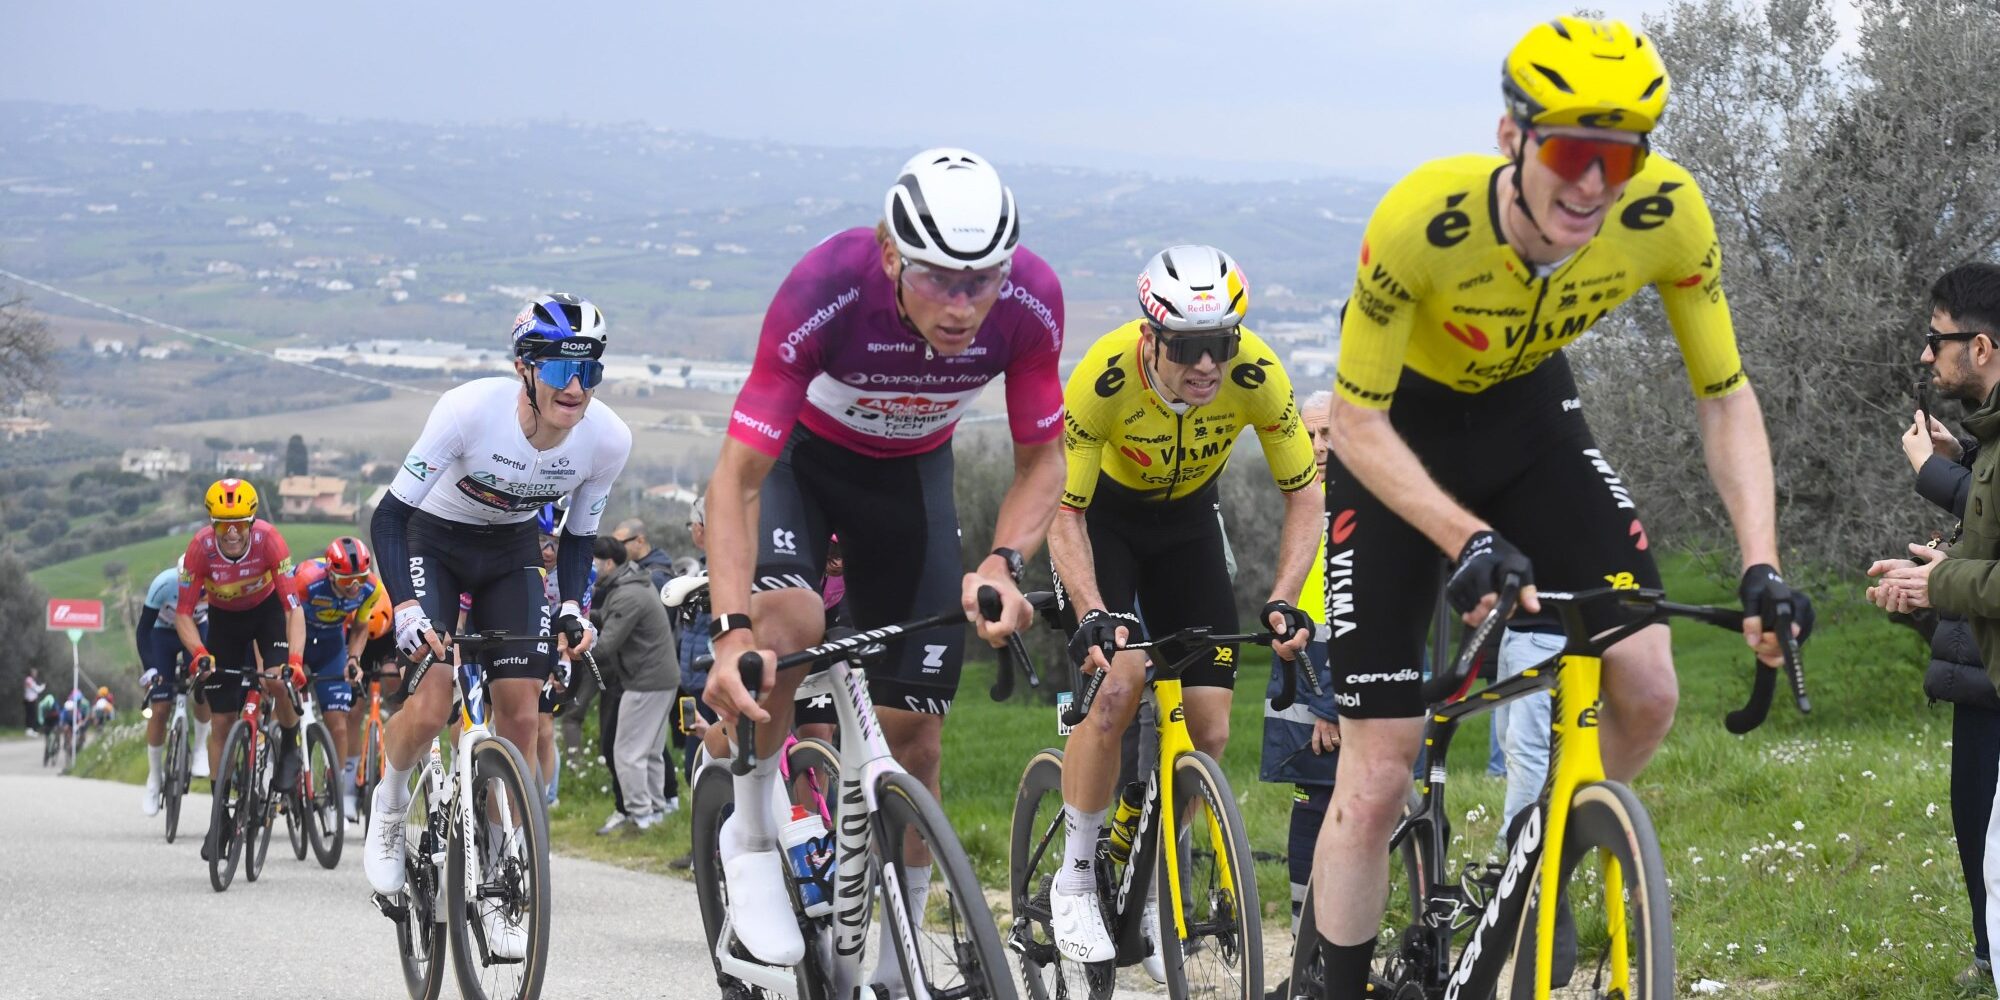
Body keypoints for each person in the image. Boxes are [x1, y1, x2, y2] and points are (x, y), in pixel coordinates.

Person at [1309, 19, 1807, 994]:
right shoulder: (1421, 218)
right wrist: (1464, 537)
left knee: (1648, 685)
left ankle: (1548, 863)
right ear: (1511, 137)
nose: (1593, 184)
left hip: (1532, 423)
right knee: (1375, 776)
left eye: (1619, 156)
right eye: (1574, 151)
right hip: (1395, 440)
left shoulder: (1662, 214)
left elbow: (1722, 396)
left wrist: (1760, 561)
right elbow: (1355, 424)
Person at [701, 147, 1062, 973]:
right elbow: (737, 479)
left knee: (917, 741)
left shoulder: (1032, 301)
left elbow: (1044, 460)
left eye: (985, 280)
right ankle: (752, 835)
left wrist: (1003, 562)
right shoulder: (827, 287)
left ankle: (900, 951)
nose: (966, 306)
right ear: (892, 253)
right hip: (805, 467)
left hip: (910, 481)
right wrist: (730, 635)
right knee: (789, 620)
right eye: (941, 278)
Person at [1046, 243, 1317, 966]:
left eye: (1220, 344)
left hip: (1191, 524)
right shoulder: (1103, 379)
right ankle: (1074, 873)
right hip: (1104, 522)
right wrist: (1094, 609)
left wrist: (1284, 595)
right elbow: (1062, 513)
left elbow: (1306, 493)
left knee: (1210, 726)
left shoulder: (1254, 372)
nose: (1208, 365)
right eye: (1190, 347)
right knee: (1122, 683)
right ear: (1150, 337)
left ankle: (1159, 880)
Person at [362, 292, 630, 963]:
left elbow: (579, 537)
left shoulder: (607, 440)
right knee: (431, 702)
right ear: (525, 368)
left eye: (590, 369)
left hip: (510, 553)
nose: (577, 387)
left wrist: (574, 605)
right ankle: (391, 804)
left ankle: (506, 873)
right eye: (562, 368)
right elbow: (390, 519)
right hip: (434, 543)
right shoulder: (466, 412)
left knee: (520, 717)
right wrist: (409, 608)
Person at [1867, 262, 2000, 993]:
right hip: (1982, 668)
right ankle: (1987, 956)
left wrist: (1932, 473)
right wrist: (1927, 590)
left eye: (1936, 338)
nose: (1926, 354)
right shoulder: (1988, 432)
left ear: (1980, 347)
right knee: (1976, 827)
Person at [1255, 389, 1341, 999]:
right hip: (1305, 677)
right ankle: (1308, 961)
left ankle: (1331, 964)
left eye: (1329, 435)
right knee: (1313, 808)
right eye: (1308, 437)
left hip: (1337, 687)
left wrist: (1331, 703)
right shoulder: (1306, 505)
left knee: (1351, 815)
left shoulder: (1364, 506)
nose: (1316, 448)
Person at [177, 478, 307, 861]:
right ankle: (219, 817)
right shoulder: (199, 549)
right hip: (224, 623)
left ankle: (289, 743)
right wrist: (199, 651)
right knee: (221, 721)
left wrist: (295, 661)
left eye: (239, 523)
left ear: (252, 521)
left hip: (266, 615)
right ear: (211, 523)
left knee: (276, 680)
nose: (231, 532)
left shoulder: (270, 542)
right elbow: (184, 614)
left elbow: (293, 609)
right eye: (222, 523)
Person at [290, 537, 386, 821]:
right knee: (283, 704)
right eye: (346, 581)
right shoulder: (306, 579)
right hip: (297, 638)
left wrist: (354, 659)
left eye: (358, 579)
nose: (354, 587)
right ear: (330, 572)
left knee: (339, 724)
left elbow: (359, 627)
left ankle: (335, 793)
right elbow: (284, 616)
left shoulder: (371, 587)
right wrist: (294, 659)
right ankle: (279, 754)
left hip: (332, 646)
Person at [591, 535, 681, 830]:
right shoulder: (630, 585)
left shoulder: (627, 594)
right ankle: (655, 811)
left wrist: (573, 644)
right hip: (660, 677)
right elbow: (609, 617)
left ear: (607, 563)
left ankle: (640, 816)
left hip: (646, 681)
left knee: (627, 752)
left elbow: (605, 645)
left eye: (592, 562)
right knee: (651, 750)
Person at [138, 560, 213, 816]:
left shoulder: (215, 583)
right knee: (159, 709)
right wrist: (150, 670)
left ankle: (201, 748)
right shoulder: (163, 583)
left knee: (204, 683)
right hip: (162, 636)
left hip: (197, 631)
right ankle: (154, 777)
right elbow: (143, 630)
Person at [612, 517, 679, 592]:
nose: (616, 549)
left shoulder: (655, 578)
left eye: (619, 544)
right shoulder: (630, 567)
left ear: (640, 541)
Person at [22, 668, 45, 735]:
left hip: (32, 700)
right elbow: (37, 689)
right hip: (29, 700)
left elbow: (36, 688)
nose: (35, 674)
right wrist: (43, 687)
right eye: (34, 673)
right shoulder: (28, 680)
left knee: (33, 715)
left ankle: (31, 729)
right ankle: (29, 730)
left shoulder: (31, 680)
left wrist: (41, 687)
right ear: (31, 673)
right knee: (30, 715)